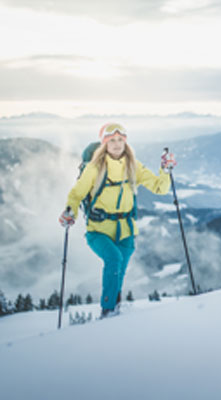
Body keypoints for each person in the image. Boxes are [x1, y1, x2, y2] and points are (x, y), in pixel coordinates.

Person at [59, 123, 176, 318]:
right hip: (98, 230)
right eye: (111, 140)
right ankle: (108, 310)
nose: (116, 144)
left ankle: (116, 305)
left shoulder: (133, 165)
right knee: (114, 260)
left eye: (120, 140)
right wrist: (70, 213)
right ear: (104, 143)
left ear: (125, 141)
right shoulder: (94, 168)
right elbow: (76, 194)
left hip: (126, 229)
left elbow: (159, 188)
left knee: (119, 268)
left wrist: (165, 170)